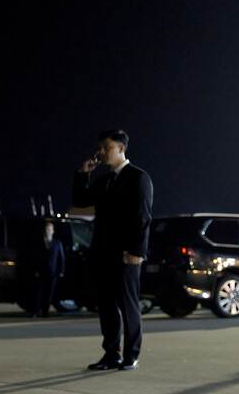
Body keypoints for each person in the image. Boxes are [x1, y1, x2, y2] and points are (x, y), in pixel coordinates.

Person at [73, 129, 154, 371]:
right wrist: (83, 174)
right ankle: (111, 354)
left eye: (106, 147)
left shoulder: (138, 177)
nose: (101, 152)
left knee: (128, 304)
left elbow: (143, 217)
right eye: (100, 148)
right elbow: (80, 201)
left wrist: (137, 251)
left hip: (126, 255)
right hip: (103, 252)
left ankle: (131, 354)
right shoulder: (105, 181)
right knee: (107, 305)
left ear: (121, 148)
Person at [31, 221, 66, 317]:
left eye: (49, 229)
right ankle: (35, 311)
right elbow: (35, 257)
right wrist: (35, 270)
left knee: (49, 293)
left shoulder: (57, 243)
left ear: (53, 231)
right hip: (41, 271)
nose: (48, 231)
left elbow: (61, 258)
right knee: (38, 292)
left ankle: (45, 311)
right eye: (46, 229)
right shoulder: (39, 242)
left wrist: (61, 271)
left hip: (53, 272)